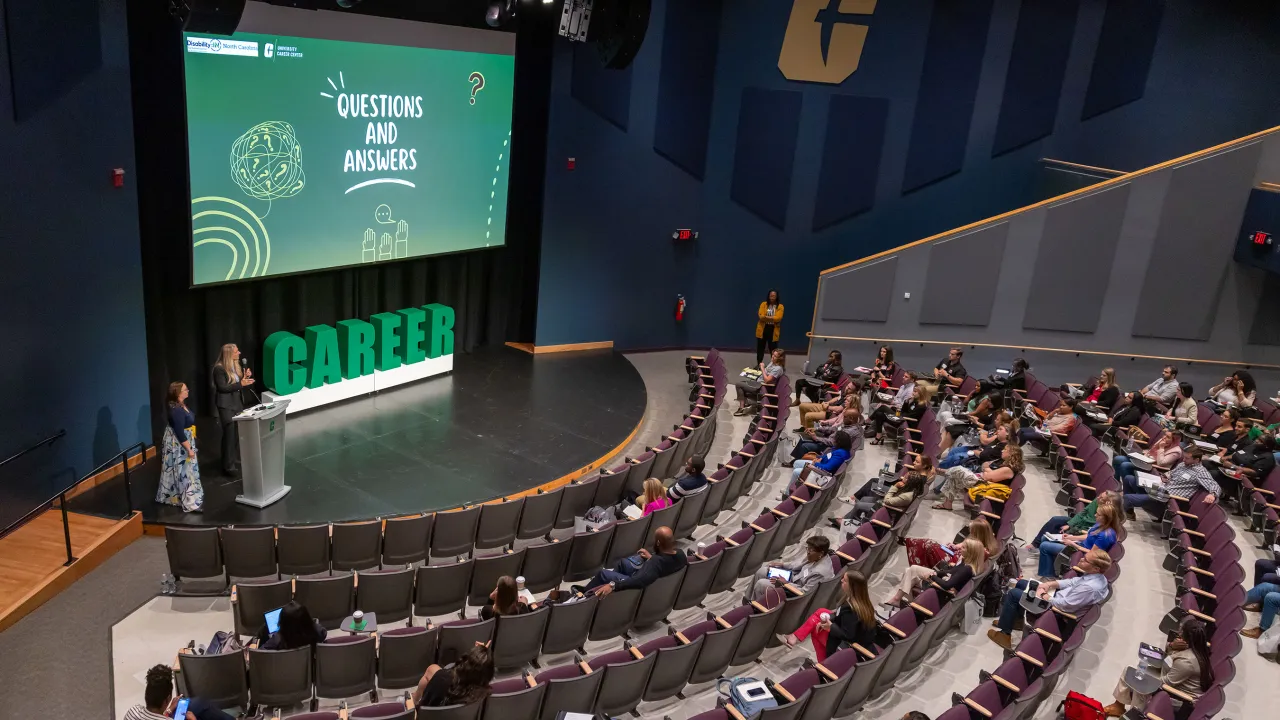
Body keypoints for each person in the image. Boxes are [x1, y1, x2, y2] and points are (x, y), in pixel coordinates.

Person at [987, 547, 1112, 649]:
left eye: (1086, 560)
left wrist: (1044, 596)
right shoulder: (1097, 576)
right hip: (1057, 597)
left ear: (1096, 568)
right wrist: (1050, 584)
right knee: (1021, 584)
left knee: (1014, 594)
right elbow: (1073, 582)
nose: (1081, 559)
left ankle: (1005, 634)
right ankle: (1015, 621)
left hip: (1056, 612)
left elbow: (1065, 605)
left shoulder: (1090, 588)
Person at [1104, 618, 1212, 717]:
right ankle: (1118, 707)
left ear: (1187, 637)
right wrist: (1171, 646)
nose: (1179, 634)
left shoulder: (1187, 662)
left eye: (1181, 632)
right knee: (1130, 669)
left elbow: (1166, 683)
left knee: (1140, 687)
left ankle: (1135, 717)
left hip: (1182, 700)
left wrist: (1141, 680)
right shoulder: (1196, 648)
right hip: (1172, 679)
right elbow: (1169, 661)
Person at [783, 570, 877, 661]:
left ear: (851, 586)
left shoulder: (851, 609)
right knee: (821, 611)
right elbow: (841, 615)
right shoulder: (862, 602)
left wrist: (831, 626)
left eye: (845, 580)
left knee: (816, 628)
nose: (841, 581)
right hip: (857, 638)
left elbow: (848, 635)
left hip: (849, 647)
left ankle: (824, 663)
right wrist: (831, 617)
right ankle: (795, 637)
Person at [580, 526, 687, 595]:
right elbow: (666, 564)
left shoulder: (654, 564)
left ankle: (583, 595)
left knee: (603, 574)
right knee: (623, 563)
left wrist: (613, 585)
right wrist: (650, 557)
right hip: (660, 585)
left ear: (658, 543)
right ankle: (607, 594)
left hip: (638, 584)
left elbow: (639, 581)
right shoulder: (681, 554)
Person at [887, 537, 988, 608]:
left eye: (964, 547)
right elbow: (951, 571)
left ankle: (901, 601)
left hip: (943, 592)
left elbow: (948, 585)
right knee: (910, 570)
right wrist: (936, 573)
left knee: (910, 572)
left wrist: (933, 576)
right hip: (944, 581)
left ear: (971, 552)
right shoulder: (967, 562)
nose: (960, 548)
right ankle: (902, 601)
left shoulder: (967, 568)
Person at [1123, 447, 1219, 520]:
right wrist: (1165, 476)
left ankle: (1121, 513)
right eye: (1184, 457)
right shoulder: (1183, 464)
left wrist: (1212, 494)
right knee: (1128, 478)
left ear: (1197, 460)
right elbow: (1170, 473)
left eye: (1187, 458)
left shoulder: (1200, 472)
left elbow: (1214, 484)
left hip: (1166, 499)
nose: (1184, 460)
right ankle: (1130, 513)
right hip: (1159, 489)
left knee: (1128, 498)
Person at [1036, 501, 1120, 579]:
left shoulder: (1106, 535)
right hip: (1079, 545)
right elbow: (1088, 536)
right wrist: (1070, 537)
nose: (1095, 515)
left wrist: (1072, 544)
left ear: (1106, 518)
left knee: (1044, 546)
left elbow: (1092, 554)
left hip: (1081, 553)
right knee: (1045, 538)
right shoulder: (1100, 524)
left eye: (1098, 514)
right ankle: (1051, 568)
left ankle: (1049, 576)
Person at [155, 382, 204, 513]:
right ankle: (189, 502)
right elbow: (179, 432)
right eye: (185, 389)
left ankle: (176, 497)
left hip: (185, 439)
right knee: (184, 471)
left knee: (185, 470)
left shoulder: (181, 405)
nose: (188, 390)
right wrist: (189, 449)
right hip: (179, 443)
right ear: (178, 393)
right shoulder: (176, 410)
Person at [932, 444, 1024, 511]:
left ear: (1012, 454)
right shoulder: (1002, 463)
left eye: (1005, 450)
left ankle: (943, 472)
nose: (1002, 451)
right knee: (955, 476)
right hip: (980, 479)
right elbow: (986, 468)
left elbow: (988, 476)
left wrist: (987, 469)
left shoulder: (1008, 469)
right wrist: (987, 469)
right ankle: (947, 504)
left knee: (959, 470)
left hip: (984, 485)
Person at [125, 664, 234, 720]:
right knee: (200, 705)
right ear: (167, 699)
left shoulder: (132, 712)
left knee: (195, 704)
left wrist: (168, 711)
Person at [748, 535, 835, 602]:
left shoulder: (820, 572)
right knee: (762, 571)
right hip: (794, 578)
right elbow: (797, 565)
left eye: (811, 550)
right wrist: (782, 565)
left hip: (794, 591)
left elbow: (805, 593)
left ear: (821, 552)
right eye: (808, 548)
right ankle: (749, 600)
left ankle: (756, 608)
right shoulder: (818, 556)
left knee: (761, 584)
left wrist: (786, 584)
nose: (808, 552)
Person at [831, 469, 929, 528]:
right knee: (865, 498)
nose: (903, 478)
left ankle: (845, 523)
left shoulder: (906, 496)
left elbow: (887, 501)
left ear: (910, 482)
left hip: (886, 509)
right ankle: (847, 520)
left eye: (906, 478)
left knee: (859, 505)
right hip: (885, 504)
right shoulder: (908, 488)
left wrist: (894, 487)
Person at [1027, 491, 1122, 550]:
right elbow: (1083, 512)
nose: (1098, 498)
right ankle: (1035, 544)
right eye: (1100, 496)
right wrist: (1070, 524)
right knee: (1056, 520)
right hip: (1080, 522)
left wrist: (1072, 536)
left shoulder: (1106, 518)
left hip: (1083, 530)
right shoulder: (1096, 501)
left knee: (1049, 540)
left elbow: (1090, 534)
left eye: (1102, 498)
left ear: (1107, 503)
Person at [212, 343, 254, 476]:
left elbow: (236, 384)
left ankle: (232, 459)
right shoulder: (219, 369)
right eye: (237, 351)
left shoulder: (234, 366)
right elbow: (222, 388)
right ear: (230, 354)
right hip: (226, 406)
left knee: (236, 434)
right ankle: (228, 466)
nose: (239, 353)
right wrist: (240, 383)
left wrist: (244, 378)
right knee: (229, 434)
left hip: (236, 403)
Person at [414, 644, 494, 707]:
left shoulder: (442, 679)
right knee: (432, 669)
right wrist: (481, 659)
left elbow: (424, 707)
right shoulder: (485, 694)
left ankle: (414, 700)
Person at [904, 516, 998, 568]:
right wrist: (955, 546)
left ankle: (909, 545)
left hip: (956, 562)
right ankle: (908, 542)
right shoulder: (977, 537)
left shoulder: (983, 549)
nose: (970, 532)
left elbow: (969, 562)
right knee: (930, 543)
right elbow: (964, 544)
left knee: (929, 547)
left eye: (972, 530)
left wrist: (959, 551)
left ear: (978, 532)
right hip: (955, 554)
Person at [1208, 431, 1276, 501]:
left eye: (1260, 441)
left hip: (1241, 478)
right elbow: (1238, 453)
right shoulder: (1252, 446)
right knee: (1206, 463)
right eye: (1258, 439)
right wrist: (1226, 457)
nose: (1256, 441)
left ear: (1267, 446)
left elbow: (1254, 472)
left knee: (1211, 474)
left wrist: (1233, 466)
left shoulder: (1267, 458)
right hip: (1228, 467)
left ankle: (1213, 494)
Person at [790, 405, 862, 464]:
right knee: (803, 439)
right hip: (828, 440)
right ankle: (795, 460)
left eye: (845, 417)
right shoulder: (847, 423)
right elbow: (833, 429)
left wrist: (816, 438)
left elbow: (832, 443)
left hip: (830, 448)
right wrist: (817, 429)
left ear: (851, 418)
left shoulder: (849, 431)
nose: (843, 419)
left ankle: (796, 463)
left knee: (804, 446)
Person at [1114, 431, 1183, 489]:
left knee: (1124, 465)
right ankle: (1116, 482)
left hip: (1153, 468)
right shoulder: (1163, 440)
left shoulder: (1176, 452)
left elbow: (1161, 463)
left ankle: (1127, 487)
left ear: (1174, 440)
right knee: (1118, 459)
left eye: (1168, 437)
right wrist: (1143, 456)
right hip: (1145, 460)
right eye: (1164, 434)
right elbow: (1150, 451)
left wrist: (1161, 448)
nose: (1164, 437)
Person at [788, 431, 853, 489]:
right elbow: (828, 456)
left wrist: (816, 463)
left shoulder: (840, 454)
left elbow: (828, 468)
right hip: (820, 464)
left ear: (838, 442)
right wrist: (819, 458)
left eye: (834, 439)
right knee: (796, 463)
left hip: (822, 474)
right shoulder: (838, 449)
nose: (832, 440)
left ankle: (787, 493)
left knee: (796, 472)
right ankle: (799, 485)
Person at [865, 371, 918, 438]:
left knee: (881, 408)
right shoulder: (902, 386)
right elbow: (896, 399)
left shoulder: (911, 391)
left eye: (906, 377)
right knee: (873, 405)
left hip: (898, 411)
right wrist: (887, 403)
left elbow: (903, 406)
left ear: (912, 380)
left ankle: (870, 424)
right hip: (894, 406)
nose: (903, 377)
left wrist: (889, 406)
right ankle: (872, 427)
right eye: (904, 375)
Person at [735, 348, 786, 416]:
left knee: (738, 385)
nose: (772, 357)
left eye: (775, 356)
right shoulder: (772, 363)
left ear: (780, 358)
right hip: (758, 381)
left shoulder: (778, 369)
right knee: (743, 381)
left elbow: (767, 380)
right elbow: (765, 372)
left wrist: (762, 368)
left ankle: (742, 408)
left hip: (761, 386)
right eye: (773, 355)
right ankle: (745, 402)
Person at [262, 601, 326, 649]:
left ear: (282, 622)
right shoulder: (317, 631)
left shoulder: (277, 640)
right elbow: (323, 634)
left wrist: (253, 644)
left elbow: (260, 653)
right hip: (309, 665)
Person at [755, 290, 784, 365]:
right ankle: (759, 364)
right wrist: (772, 317)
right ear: (768, 296)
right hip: (763, 329)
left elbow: (778, 318)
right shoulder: (763, 304)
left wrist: (767, 317)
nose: (772, 297)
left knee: (773, 349)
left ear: (777, 296)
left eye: (774, 295)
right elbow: (761, 316)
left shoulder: (780, 306)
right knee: (760, 348)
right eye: (771, 295)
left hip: (773, 330)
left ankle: (774, 365)